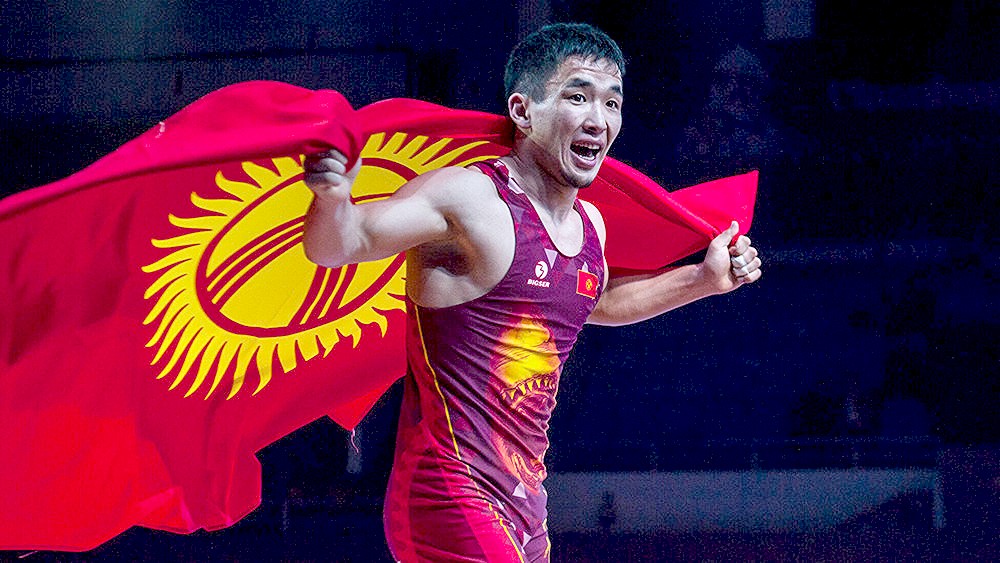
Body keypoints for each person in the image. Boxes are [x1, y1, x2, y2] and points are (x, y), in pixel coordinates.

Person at [302, 22, 761, 563]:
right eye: (577, 97)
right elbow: (343, 244)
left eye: (612, 103)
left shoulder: (590, 227)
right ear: (522, 111)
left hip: (525, 504)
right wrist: (332, 197)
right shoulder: (469, 198)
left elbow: (598, 303)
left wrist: (702, 280)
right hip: (447, 490)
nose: (599, 119)